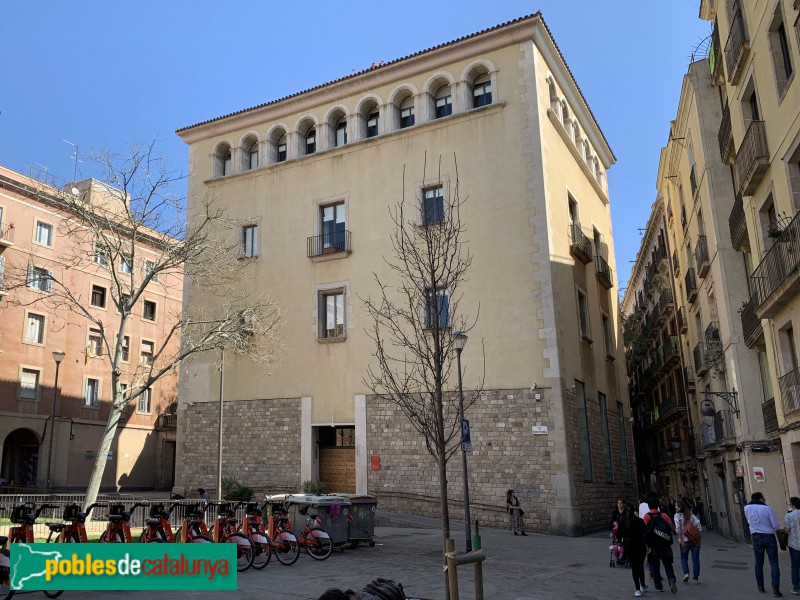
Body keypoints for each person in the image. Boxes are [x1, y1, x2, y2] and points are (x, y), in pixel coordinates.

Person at [745, 491, 783, 597]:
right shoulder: (767, 508)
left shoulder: (746, 508)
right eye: (763, 498)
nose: (765, 500)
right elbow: (775, 524)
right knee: (774, 563)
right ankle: (775, 589)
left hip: (756, 536)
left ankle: (760, 586)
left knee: (758, 562)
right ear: (760, 499)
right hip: (768, 536)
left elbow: (748, 521)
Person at [643, 497, 678, 593]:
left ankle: (658, 586)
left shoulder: (646, 517)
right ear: (658, 505)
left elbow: (646, 532)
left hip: (653, 546)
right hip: (665, 545)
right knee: (668, 565)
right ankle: (671, 579)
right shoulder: (664, 515)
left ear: (649, 506)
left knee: (655, 566)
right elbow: (673, 528)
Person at [618, 501, 648, 597]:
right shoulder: (639, 521)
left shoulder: (623, 521)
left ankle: (637, 589)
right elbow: (645, 533)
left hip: (629, 545)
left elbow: (618, 534)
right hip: (640, 545)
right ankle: (643, 585)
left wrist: (621, 542)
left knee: (634, 567)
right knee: (640, 566)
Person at [674, 498, 702, 584]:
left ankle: (686, 573)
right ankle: (696, 579)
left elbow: (678, 530)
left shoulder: (677, 516)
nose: (675, 507)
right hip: (694, 540)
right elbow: (699, 526)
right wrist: (699, 539)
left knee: (683, 558)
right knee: (695, 559)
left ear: (680, 507)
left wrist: (681, 540)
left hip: (685, 541)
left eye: (676, 506)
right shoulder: (690, 514)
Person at [783, 497, 800, 596]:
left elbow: (787, 530)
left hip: (794, 544)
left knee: (795, 566)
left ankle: (796, 588)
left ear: (793, 505)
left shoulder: (789, 516)